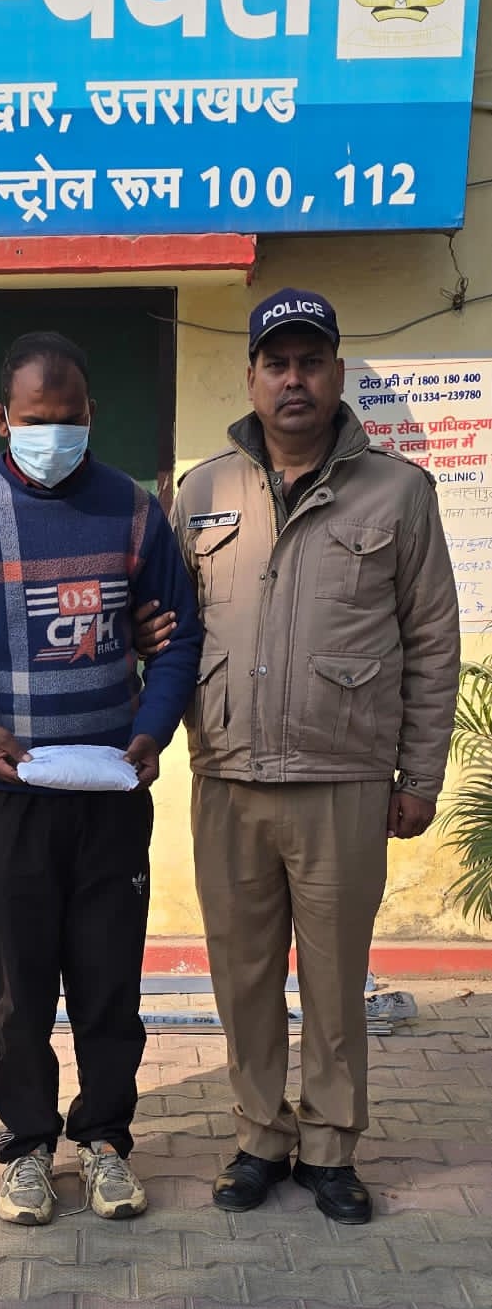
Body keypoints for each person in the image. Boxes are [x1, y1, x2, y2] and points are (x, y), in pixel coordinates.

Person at [136, 287, 460, 1224]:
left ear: (336, 374)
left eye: (310, 362)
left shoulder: (398, 492)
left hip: (343, 779)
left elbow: (431, 640)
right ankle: (257, 1139)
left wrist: (418, 776)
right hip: (227, 775)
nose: (293, 380)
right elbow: (165, 628)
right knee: (240, 975)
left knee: (332, 977)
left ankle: (329, 1147)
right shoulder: (200, 492)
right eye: (275, 363)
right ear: (249, 377)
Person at [0, 331, 202, 1226]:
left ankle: (104, 1141)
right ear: (2, 418)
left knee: (109, 985)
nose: (52, 435)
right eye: (35, 420)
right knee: (19, 991)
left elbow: (178, 635)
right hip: (10, 801)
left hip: (111, 794)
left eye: (67, 418)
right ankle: (27, 1148)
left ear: (90, 415)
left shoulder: (134, 512)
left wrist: (152, 729)